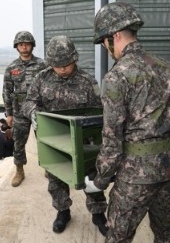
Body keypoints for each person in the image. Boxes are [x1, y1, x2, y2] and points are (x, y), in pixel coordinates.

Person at [86, 2, 170, 242]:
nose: (104, 47)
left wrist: (99, 181)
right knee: (166, 234)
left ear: (115, 36)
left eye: (104, 41)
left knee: (118, 236)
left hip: (137, 174)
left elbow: (112, 139)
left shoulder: (116, 77)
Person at [22, 35, 108, 236]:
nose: (62, 69)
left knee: (92, 175)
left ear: (74, 59)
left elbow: (99, 110)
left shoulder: (87, 81)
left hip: (84, 139)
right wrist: (33, 113)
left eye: (66, 64)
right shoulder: (41, 79)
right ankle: (63, 211)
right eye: (57, 65)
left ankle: (98, 213)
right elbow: (28, 102)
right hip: (54, 141)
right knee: (56, 177)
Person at [2, 31, 48, 187]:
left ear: (32, 46)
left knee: (44, 140)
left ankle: (48, 167)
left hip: (39, 110)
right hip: (20, 112)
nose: (24, 47)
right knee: (18, 143)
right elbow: (7, 91)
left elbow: (50, 86)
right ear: (17, 47)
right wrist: (8, 114)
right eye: (21, 44)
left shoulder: (43, 65)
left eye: (27, 44)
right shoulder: (11, 68)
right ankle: (19, 170)